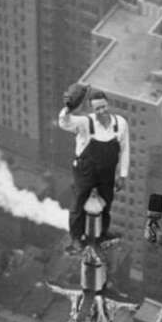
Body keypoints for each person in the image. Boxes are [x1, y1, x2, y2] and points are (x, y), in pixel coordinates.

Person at [58, 86, 129, 248]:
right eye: (97, 108)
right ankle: (76, 237)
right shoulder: (85, 122)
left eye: (103, 107)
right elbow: (64, 122)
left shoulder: (120, 124)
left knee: (106, 201)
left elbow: (125, 150)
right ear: (92, 108)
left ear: (108, 104)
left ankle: (103, 233)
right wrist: (69, 108)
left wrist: (123, 175)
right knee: (79, 202)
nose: (101, 111)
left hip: (107, 170)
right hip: (85, 170)